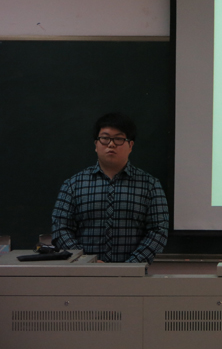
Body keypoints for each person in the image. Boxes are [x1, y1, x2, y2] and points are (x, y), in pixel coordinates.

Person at [52, 113, 169, 263]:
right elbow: (61, 229)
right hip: (83, 272)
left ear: (130, 145)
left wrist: (130, 267)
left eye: (119, 139)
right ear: (96, 144)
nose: (111, 144)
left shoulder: (150, 185)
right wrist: (87, 262)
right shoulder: (73, 185)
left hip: (133, 274)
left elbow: (158, 231)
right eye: (105, 138)